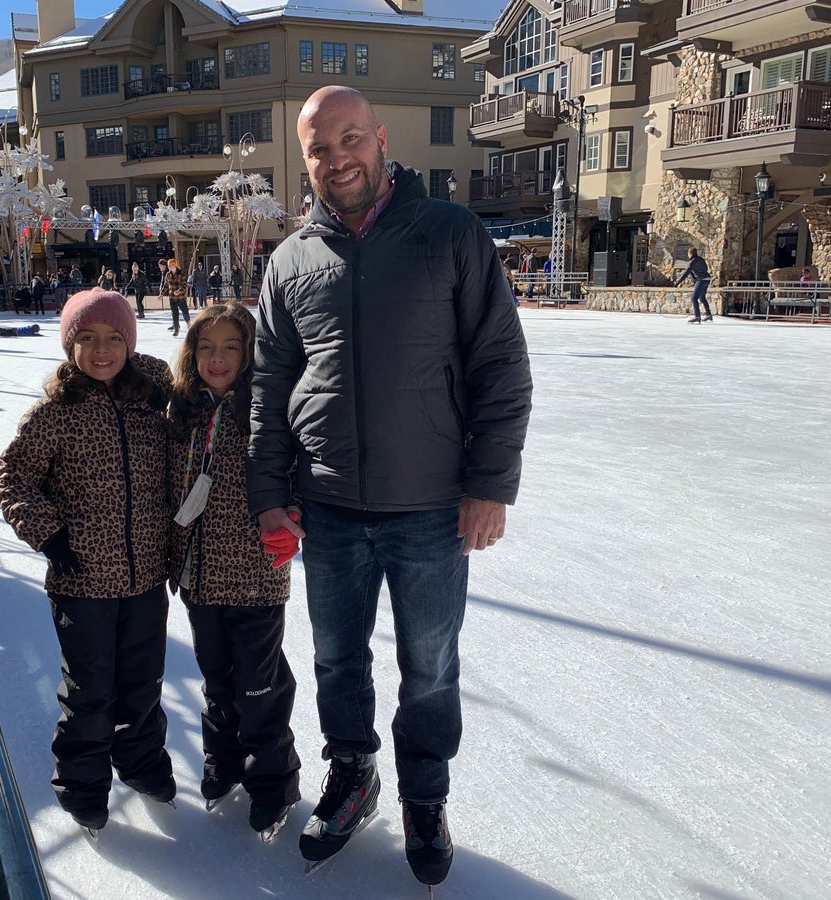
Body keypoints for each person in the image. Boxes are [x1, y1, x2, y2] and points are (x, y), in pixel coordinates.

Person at [247, 86, 532, 888]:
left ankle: (426, 797)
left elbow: (500, 368)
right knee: (337, 662)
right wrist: (269, 493)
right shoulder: (291, 260)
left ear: (378, 137)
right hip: (329, 509)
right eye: (319, 148)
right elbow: (270, 390)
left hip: (432, 512)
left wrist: (491, 484)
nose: (337, 159)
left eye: (349, 139)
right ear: (305, 161)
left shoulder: (451, 234)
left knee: (430, 666)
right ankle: (354, 774)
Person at [0, 288, 176, 833]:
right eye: (88, 339)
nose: (103, 350)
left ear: (130, 342)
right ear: (70, 344)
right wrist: (51, 538)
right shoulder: (55, 414)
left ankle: (141, 761)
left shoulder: (152, 403)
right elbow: (14, 479)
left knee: (144, 683)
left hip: (146, 575)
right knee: (91, 689)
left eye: (115, 338)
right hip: (81, 579)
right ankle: (82, 784)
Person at [166, 303, 302, 839]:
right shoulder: (181, 413)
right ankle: (222, 762)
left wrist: (293, 515)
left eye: (230, 347)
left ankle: (273, 782)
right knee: (218, 681)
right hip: (199, 579)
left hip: (255, 576)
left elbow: (299, 472)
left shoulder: (269, 410)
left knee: (258, 687)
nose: (217, 358)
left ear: (249, 353)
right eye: (206, 347)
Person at [676, 247, 713, 324]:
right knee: (702, 298)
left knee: (694, 298)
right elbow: (705, 268)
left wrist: (678, 282)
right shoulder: (701, 259)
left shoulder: (692, 261)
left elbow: (686, 273)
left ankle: (697, 316)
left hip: (701, 280)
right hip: (707, 279)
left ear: (690, 253)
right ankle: (709, 314)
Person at [159, 257, 189, 336]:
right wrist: (161, 294)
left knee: (185, 312)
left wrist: (179, 291)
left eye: (170, 265)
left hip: (180, 298)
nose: (169, 267)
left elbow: (184, 286)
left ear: (174, 265)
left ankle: (190, 326)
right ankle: (176, 329)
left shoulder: (181, 274)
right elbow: (166, 285)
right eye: (168, 266)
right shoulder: (168, 274)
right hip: (172, 297)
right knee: (174, 314)